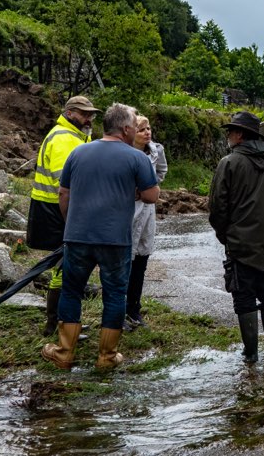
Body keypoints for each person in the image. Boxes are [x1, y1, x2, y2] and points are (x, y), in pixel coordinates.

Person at [41, 103, 159, 370]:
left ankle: (63, 352)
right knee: (115, 294)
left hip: (78, 235)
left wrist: (71, 222)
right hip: (115, 239)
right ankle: (106, 357)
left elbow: (63, 193)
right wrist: (133, 192)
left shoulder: (78, 152)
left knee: (71, 291)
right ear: (126, 128)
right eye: (134, 124)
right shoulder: (136, 158)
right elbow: (152, 195)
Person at [208, 111, 264, 363]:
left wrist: (226, 236)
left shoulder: (230, 163)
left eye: (231, 131)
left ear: (241, 135)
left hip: (240, 244)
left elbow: (217, 207)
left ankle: (251, 351)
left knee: (243, 296)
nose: (228, 135)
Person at [26, 95, 100, 337]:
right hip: (56, 210)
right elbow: (65, 183)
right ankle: (57, 322)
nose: (89, 118)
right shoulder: (63, 138)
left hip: (60, 209)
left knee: (65, 266)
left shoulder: (77, 136)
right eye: (84, 113)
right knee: (65, 266)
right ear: (70, 113)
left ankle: (61, 321)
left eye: (91, 114)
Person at [124, 115, 168, 330]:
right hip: (128, 208)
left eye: (149, 128)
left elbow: (161, 171)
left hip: (147, 208)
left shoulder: (156, 150)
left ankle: (134, 308)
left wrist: (149, 187)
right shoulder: (123, 151)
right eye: (141, 129)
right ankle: (119, 308)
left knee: (142, 257)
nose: (147, 132)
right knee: (124, 259)